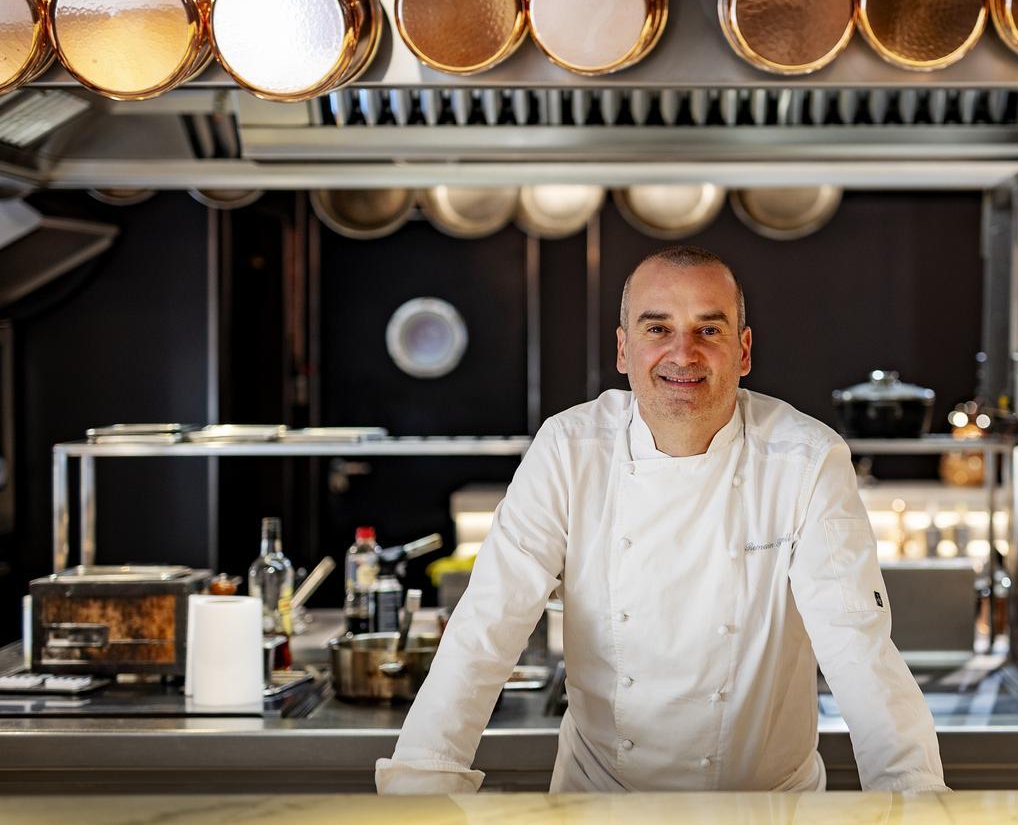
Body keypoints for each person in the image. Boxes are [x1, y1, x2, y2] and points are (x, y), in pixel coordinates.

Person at [376, 246, 944, 793]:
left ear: (744, 351)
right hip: (601, 804)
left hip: (767, 807)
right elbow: (487, 623)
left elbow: (857, 645)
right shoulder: (569, 450)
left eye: (709, 329)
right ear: (623, 349)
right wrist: (423, 778)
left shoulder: (807, 459)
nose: (683, 353)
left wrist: (912, 795)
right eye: (657, 328)